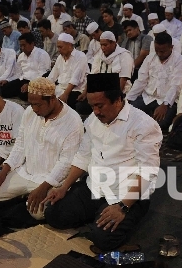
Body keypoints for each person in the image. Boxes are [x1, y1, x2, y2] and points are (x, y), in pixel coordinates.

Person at [44, 73, 162, 251]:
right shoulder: (93, 120)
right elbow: (83, 156)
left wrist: (122, 207)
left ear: (117, 101)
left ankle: (117, 216)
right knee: (53, 214)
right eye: (92, 106)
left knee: (103, 240)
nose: (96, 112)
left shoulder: (144, 125)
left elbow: (148, 173)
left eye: (100, 106)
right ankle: (98, 214)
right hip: (94, 187)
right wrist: (63, 187)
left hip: (126, 195)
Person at [0, 77, 83, 220]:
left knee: (39, 214)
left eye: (38, 105)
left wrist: (43, 188)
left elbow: (66, 163)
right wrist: (4, 170)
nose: (34, 109)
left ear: (52, 99)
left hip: (49, 180)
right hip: (26, 172)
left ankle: (25, 200)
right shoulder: (30, 112)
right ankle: (24, 199)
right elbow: (20, 145)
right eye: (31, 104)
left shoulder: (73, 121)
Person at [127, 32, 182, 132]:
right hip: (147, 98)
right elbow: (141, 81)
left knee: (160, 125)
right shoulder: (150, 58)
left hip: (167, 101)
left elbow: (176, 86)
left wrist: (165, 105)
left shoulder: (180, 60)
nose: (159, 53)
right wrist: (128, 99)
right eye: (157, 50)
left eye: (162, 51)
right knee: (127, 113)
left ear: (171, 47)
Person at [49, 33, 88, 108]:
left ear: (69, 46)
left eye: (61, 47)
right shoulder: (60, 57)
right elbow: (52, 76)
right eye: (58, 47)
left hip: (75, 91)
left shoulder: (80, 56)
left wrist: (65, 94)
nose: (59, 50)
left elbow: (75, 79)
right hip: (60, 88)